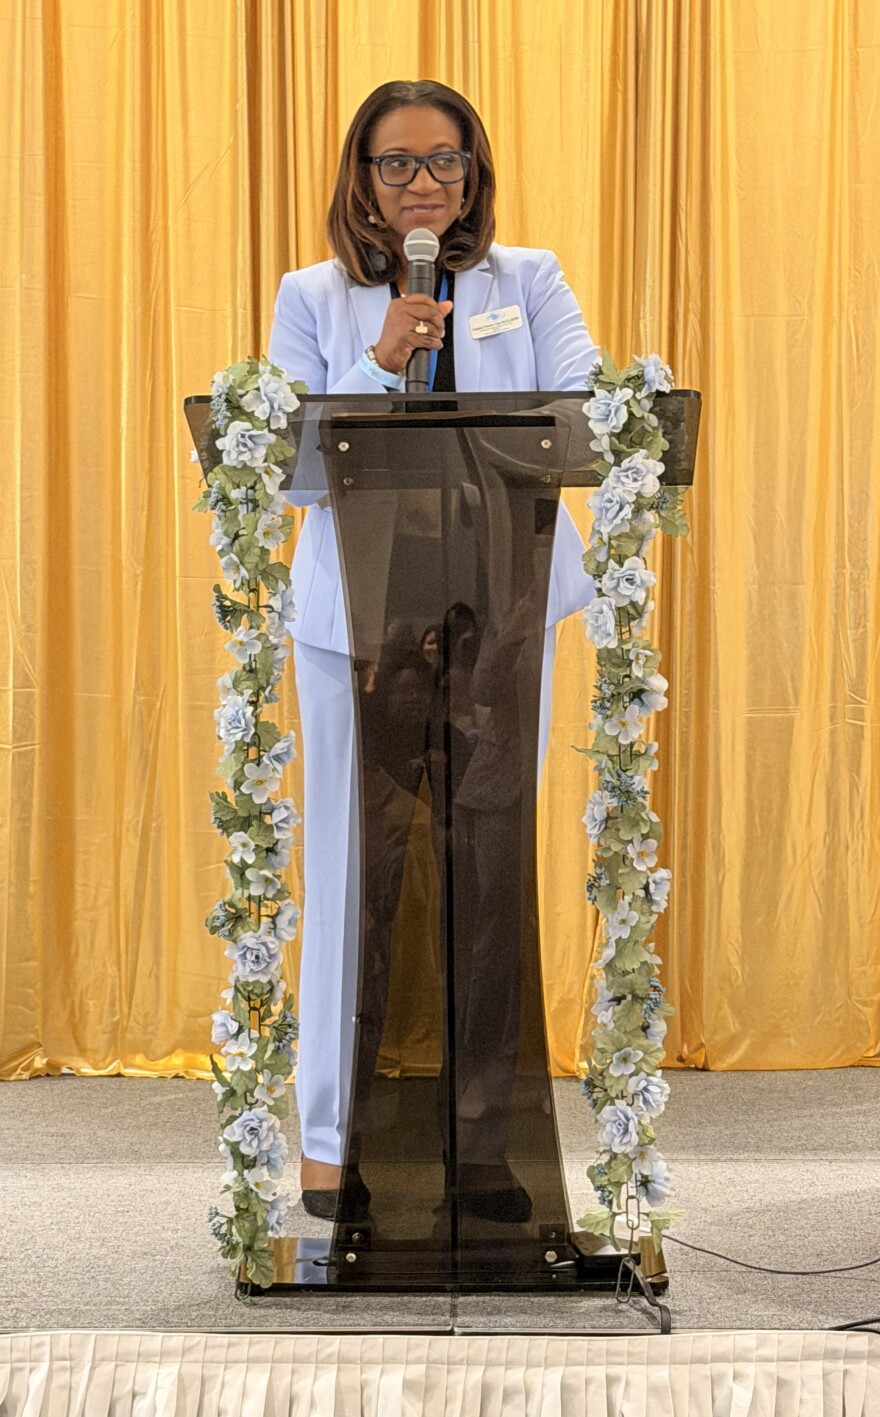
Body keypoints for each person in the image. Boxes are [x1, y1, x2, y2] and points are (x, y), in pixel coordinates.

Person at [267, 79, 598, 1219]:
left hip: (497, 609)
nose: (420, 184)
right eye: (397, 163)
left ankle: (483, 1146)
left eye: (443, 162)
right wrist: (376, 360)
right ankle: (328, 1146)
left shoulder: (529, 282)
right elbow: (300, 468)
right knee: (355, 876)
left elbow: (589, 412)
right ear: (361, 178)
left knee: (490, 877)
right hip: (355, 618)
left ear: (475, 173)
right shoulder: (312, 296)